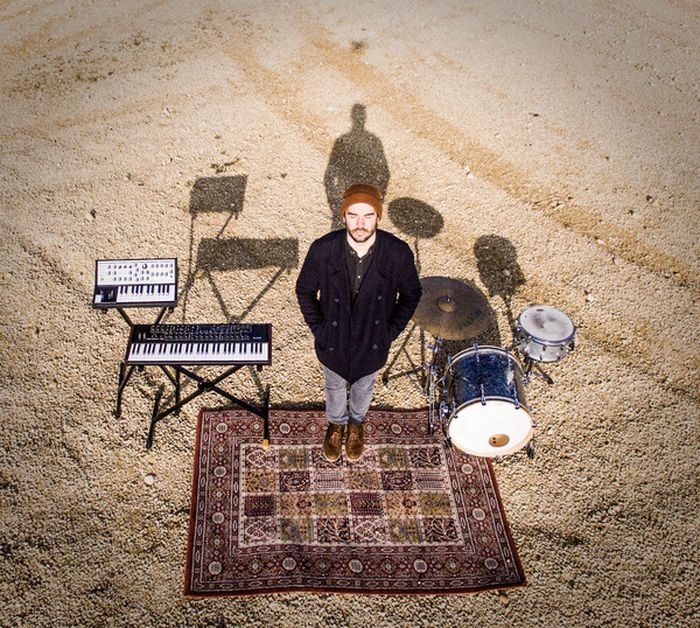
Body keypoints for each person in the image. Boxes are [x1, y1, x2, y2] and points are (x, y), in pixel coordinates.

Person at [296, 184, 422, 463]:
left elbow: (412, 294)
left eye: (368, 216)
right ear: (344, 216)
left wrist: (389, 332)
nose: (360, 224)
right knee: (334, 386)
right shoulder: (323, 250)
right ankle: (337, 425)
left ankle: (356, 425)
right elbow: (304, 291)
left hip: (372, 339)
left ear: (378, 217)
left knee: (365, 385)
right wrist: (321, 329)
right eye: (353, 215)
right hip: (334, 340)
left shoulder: (397, 252)